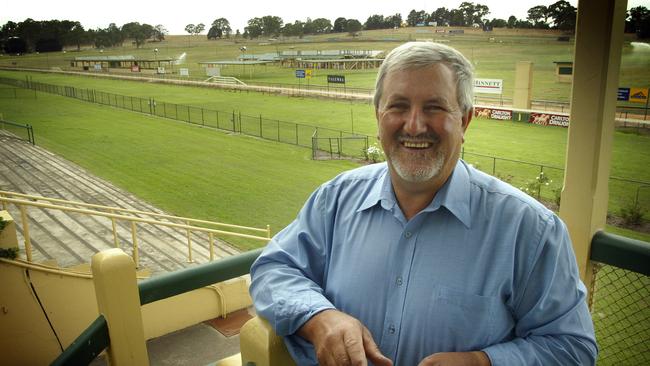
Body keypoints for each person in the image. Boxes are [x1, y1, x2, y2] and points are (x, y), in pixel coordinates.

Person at [250, 42, 597, 366]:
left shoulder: (530, 229)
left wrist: (484, 361)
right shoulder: (337, 198)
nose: (414, 125)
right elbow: (273, 269)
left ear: (464, 121)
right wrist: (317, 317)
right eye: (398, 106)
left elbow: (572, 348)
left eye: (434, 107)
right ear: (378, 116)